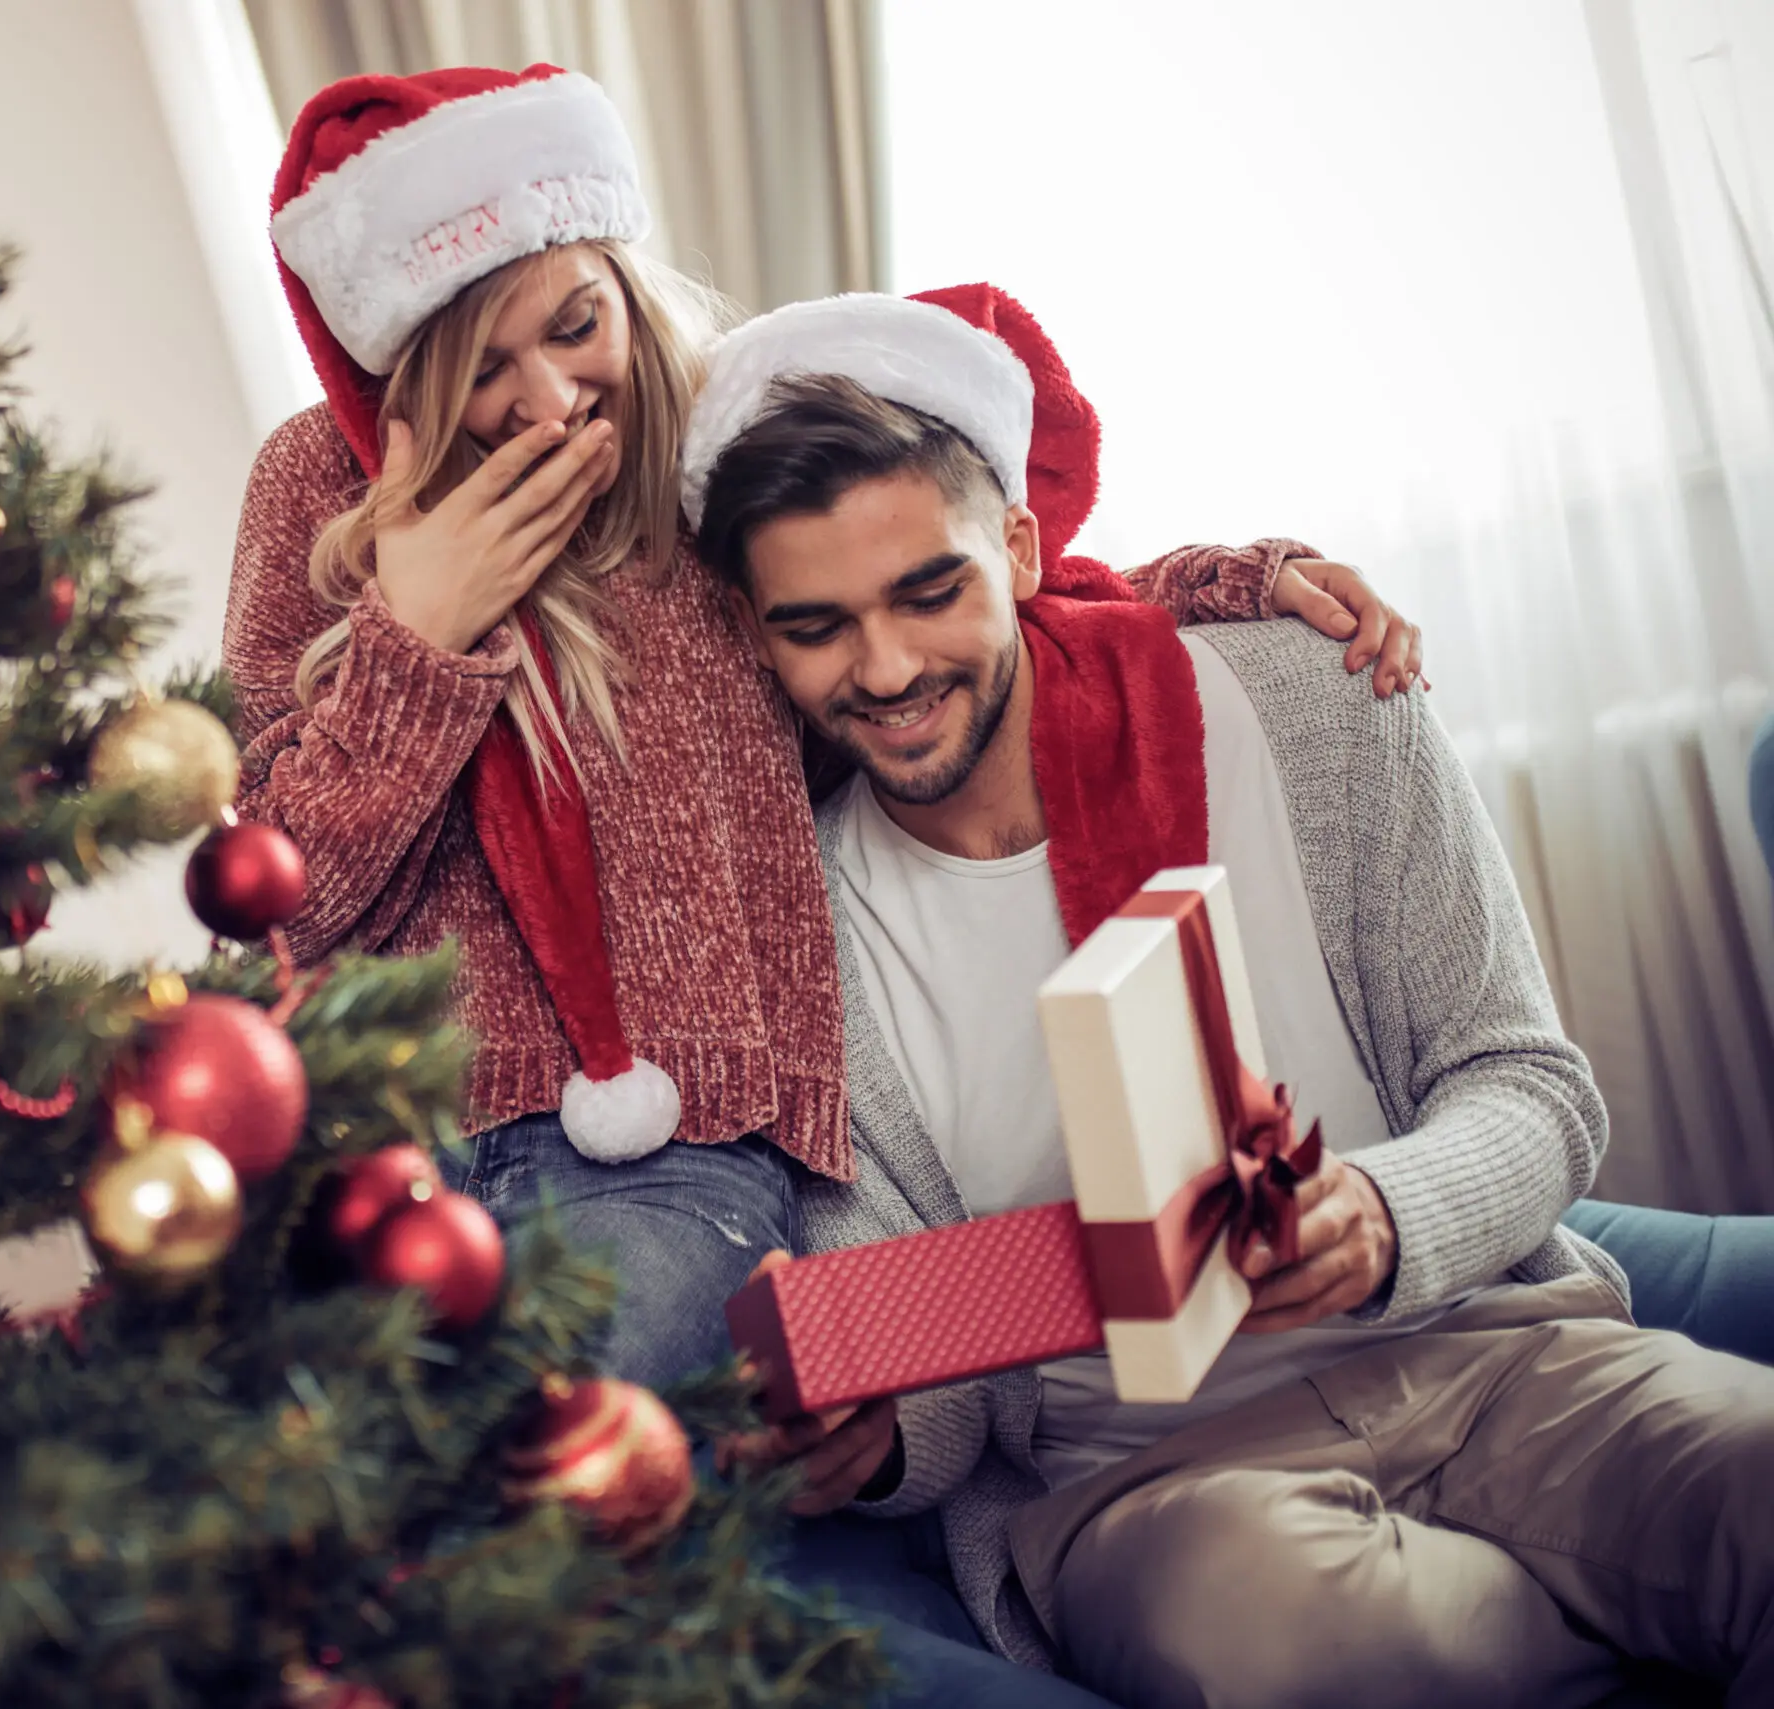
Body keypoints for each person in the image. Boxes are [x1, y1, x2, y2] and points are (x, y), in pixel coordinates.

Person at [226, 63, 1416, 1408]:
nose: (552, 402)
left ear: (621, 278)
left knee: (533, 1431)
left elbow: (962, 584)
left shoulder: (704, 455)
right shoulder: (315, 491)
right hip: (373, 1135)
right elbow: (275, 900)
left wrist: (1240, 578)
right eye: (481, 369)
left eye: (575, 328)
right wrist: (422, 637)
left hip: (684, 1157)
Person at [686, 289, 1774, 1708]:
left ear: (1016, 547)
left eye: (928, 591)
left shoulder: (1310, 699)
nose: (885, 671)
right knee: (1320, 1641)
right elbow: (934, 1393)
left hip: (1499, 1361)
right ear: (756, 636)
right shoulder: (794, 938)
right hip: (1152, 1488)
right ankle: (1611, 1620)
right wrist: (869, 1438)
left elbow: (1532, 1085)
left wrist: (1383, 1217)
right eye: (817, 627)